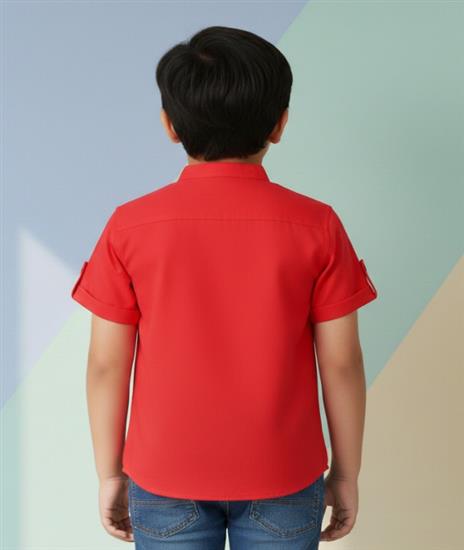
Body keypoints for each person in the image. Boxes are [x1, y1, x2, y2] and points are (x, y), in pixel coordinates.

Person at [71, 25, 378, 550]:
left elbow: (106, 364)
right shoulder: (317, 226)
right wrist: (346, 473)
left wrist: (109, 473)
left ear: (170, 125)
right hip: (284, 472)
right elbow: (342, 362)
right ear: (279, 124)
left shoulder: (129, 227)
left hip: (165, 475)